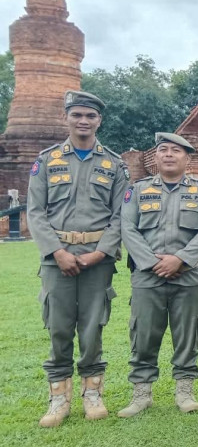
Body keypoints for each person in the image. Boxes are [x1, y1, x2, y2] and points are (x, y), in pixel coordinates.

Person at [27, 90, 129, 427]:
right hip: (56, 257)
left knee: (92, 325)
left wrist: (101, 252)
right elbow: (35, 213)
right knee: (58, 325)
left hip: (97, 258)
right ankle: (59, 398)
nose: (83, 121)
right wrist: (57, 252)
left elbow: (121, 216)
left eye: (90, 116)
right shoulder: (47, 161)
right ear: (67, 117)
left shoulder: (113, 164)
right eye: (77, 115)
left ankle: (92, 393)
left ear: (99, 120)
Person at [117, 133, 198, 417]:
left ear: (187, 158)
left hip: (188, 276)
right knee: (143, 334)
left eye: (176, 150)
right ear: (156, 157)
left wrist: (180, 260)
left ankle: (185, 391)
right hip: (148, 277)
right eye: (163, 150)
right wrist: (151, 262)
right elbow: (128, 228)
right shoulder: (137, 190)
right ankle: (141, 393)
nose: (169, 155)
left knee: (188, 334)